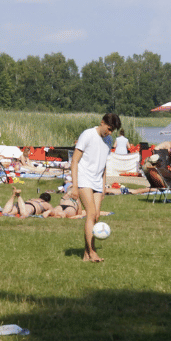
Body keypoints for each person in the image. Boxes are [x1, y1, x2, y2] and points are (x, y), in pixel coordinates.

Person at [70, 112, 121, 263]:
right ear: (102, 122)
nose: (110, 133)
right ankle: (92, 252)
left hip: (98, 181)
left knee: (96, 216)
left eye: (112, 131)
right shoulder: (88, 134)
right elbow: (74, 161)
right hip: (84, 179)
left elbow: (103, 165)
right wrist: (74, 186)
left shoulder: (109, 140)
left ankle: (86, 255)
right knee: (91, 214)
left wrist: (104, 185)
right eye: (109, 129)